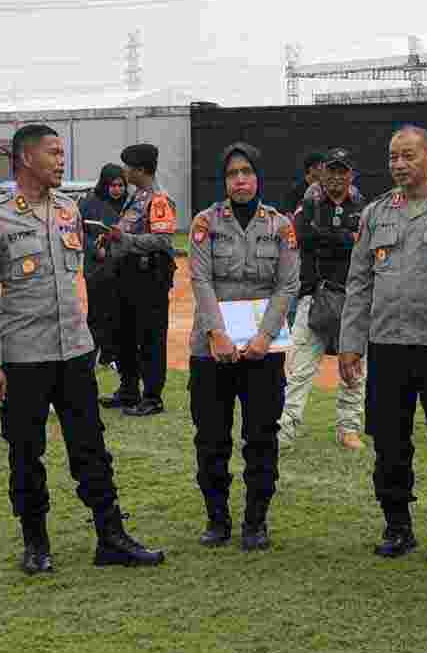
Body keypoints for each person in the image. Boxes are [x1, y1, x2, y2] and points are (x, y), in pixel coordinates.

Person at [0, 124, 165, 573]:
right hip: (24, 356)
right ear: (25, 158)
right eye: (53, 153)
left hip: (74, 351)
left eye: (62, 153)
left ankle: (110, 537)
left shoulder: (68, 210)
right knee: (25, 452)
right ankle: (35, 543)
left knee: (91, 448)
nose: (61, 160)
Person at [338, 125, 427, 564]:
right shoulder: (375, 214)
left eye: (408, 156)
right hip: (387, 345)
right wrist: (351, 342)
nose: (399, 165)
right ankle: (397, 525)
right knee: (388, 442)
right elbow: (359, 282)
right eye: (393, 157)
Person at [187, 142, 300, 549]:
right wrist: (217, 334)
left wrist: (265, 336)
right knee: (211, 439)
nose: (240, 180)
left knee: (261, 438)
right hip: (211, 350)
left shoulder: (281, 226)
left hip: (261, 351)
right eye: (233, 173)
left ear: (259, 177)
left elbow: (287, 285)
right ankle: (217, 519)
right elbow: (200, 279)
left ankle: (256, 521)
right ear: (224, 180)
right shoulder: (205, 222)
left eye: (247, 172)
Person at [281, 146, 367, 449]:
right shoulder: (309, 204)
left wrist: (327, 237)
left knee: (354, 368)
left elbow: (363, 246)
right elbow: (303, 237)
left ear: (351, 175)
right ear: (323, 173)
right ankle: (285, 428)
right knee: (300, 367)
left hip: (353, 299)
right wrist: (345, 238)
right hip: (314, 295)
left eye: (342, 171)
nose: (336, 177)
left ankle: (349, 428)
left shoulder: (363, 207)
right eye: (331, 170)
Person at [100, 142, 178, 417]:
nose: (125, 171)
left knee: (150, 337)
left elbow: (162, 240)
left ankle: (152, 397)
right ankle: (129, 390)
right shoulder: (137, 196)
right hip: (127, 275)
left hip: (149, 276)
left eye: (128, 167)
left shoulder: (159, 199)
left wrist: (125, 239)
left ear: (141, 170)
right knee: (124, 334)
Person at [79, 163, 130, 368]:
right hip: (97, 269)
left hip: (122, 268)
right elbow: (76, 232)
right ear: (104, 184)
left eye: (121, 185)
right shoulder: (89, 203)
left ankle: (111, 357)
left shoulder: (131, 203)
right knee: (97, 315)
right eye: (113, 185)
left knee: (119, 314)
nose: (117, 190)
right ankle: (90, 358)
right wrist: (94, 248)